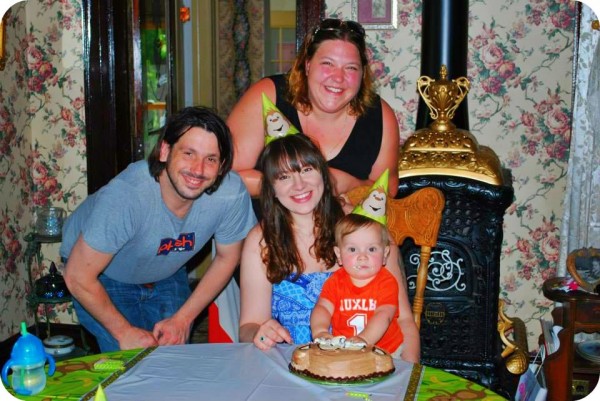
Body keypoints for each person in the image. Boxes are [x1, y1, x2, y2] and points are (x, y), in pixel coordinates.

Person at [60, 106, 257, 352]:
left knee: (171, 361)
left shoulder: (230, 194)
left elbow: (228, 258)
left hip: (166, 270)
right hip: (101, 273)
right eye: (188, 153)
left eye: (211, 159)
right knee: (130, 366)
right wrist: (124, 333)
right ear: (165, 151)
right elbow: (77, 276)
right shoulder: (126, 197)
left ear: (222, 166)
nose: (198, 169)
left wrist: (184, 319)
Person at [238, 134, 420, 363]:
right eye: (284, 176)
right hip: (289, 365)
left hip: (365, 365)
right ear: (271, 188)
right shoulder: (260, 241)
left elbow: (403, 319)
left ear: (323, 174)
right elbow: (248, 326)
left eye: (306, 170)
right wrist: (259, 333)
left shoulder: (363, 231)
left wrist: (409, 375)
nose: (299, 185)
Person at [227, 18, 399, 199]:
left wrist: (350, 184)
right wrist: (303, 186)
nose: (338, 77)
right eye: (327, 64)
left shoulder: (380, 116)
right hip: (264, 223)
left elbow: (388, 191)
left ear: (362, 74)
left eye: (351, 68)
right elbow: (226, 177)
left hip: (340, 226)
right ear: (308, 65)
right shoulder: (268, 94)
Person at [311, 213, 405, 359]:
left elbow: (384, 315)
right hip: (343, 351)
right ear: (339, 254)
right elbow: (322, 307)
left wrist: (365, 340)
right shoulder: (335, 281)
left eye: (372, 249)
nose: (362, 256)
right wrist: (320, 331)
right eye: (353, 249)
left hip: (386, 351)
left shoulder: (387, 283)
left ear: (385, 253)